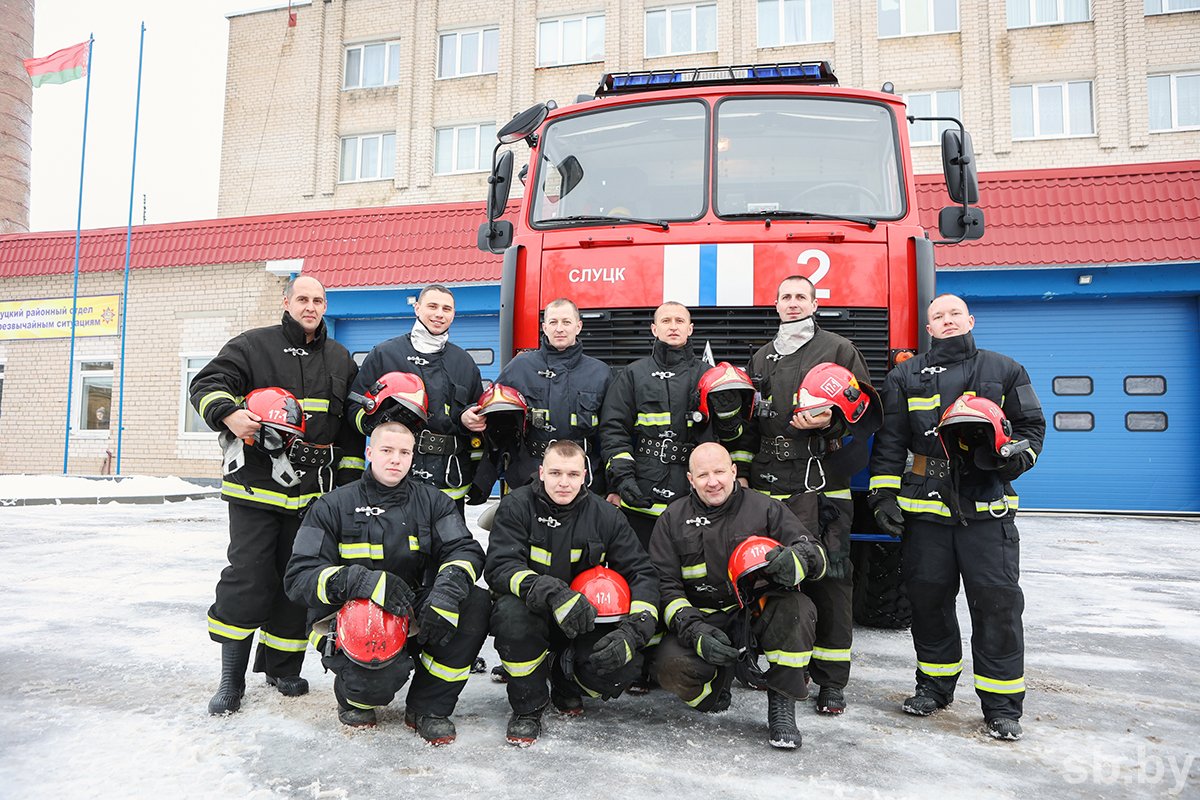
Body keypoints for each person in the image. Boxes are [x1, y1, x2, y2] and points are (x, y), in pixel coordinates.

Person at [868, 294, 1045, 741]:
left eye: (953, 314)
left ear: (969, 319)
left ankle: (1002, 707)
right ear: (928, 328)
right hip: (925, 513)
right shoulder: (905, 375)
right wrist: (883, 496)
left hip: (987, 511)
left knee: (997, 607)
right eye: (937, 317)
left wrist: (1009, 462)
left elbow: (1032, 430)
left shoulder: (1005, 370)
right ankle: (933, 688)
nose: (946, 321)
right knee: (928, 605)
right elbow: (890, 443)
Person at [190, 275, 364, 715]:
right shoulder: (253, 345)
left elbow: (348, 432)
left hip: (312, 498)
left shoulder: (341, 358)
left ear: (326, 306)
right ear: (286, 302)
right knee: (248, 579)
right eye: (303, 299)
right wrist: (229, 413)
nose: (311, 306)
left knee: (296, 583)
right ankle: (231, 680)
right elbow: (206, 383)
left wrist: (343, 489)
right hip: (256, 490)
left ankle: (282, 668)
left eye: (319, 300)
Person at [283, 421, 490, 744]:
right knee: (373, 691)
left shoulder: (434, 501)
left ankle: (428, 707)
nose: (396, 459)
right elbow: (299, 578)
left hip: (416, 608)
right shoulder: (332, 505)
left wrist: (446, 593)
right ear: (369, 453)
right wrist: (363, 581)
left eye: (404, 452)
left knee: (474, 602)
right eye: (387, 450)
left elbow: (464, 549)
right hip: (354, 620)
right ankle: (354, 696)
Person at [747, 275, 879, 715]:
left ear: (815, 302)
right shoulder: (762, 357)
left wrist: (830, 425)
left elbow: (862, 412)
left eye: (800, 296)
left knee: (832, 580)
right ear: (775, 303)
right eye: (785, 296)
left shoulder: (839, 350)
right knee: (775, 576)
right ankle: (784, 666)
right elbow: (751, 422)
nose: (792, 303)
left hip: (821, 483)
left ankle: (831, 681)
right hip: (770, 484)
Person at [649, 443, 828, 749]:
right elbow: (664, 587)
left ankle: (782, 706)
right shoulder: (672, 519)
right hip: (703, 620)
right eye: (703, 475)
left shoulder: (765, 508)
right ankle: (714, 691)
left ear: (733, 472)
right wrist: (695, 632)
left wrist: (797, 559)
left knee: (797, 608)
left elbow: (816, 554)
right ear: (690, 480)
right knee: (669, 666)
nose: (713, 481)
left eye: (719, 471)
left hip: (756, 612)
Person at [484, 440, 659, 745]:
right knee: (511, 618)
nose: (563, 482)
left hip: (584, 624)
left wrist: (634, 631)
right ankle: (528, 706)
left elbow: (641, 573)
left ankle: (568, 681)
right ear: (541, 473)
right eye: (555, 473)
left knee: (622, 667)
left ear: (585, 476)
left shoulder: (607, 516)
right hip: (532, 614)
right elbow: (500, 566)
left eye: (572, 474)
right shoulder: (516, 506)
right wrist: (551, 592)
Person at [599, 301, 748, 548]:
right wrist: (623, 479)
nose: (673, 327)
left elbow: (731, 437)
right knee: (642, 565)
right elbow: (613, 429)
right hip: (644, 488)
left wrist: (728, 414)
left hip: (696, 488)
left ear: (690, 329)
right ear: (654, 329)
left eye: (679, 321)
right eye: (666, 321)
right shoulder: (633, 374)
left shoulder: (710, 375)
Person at [348, 284, 485, 515]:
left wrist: (479, 473)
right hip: (396, 478)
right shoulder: (385, 354)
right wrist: (378, 420)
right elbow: (354, 408)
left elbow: (478, 424)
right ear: (417, 308)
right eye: (432, 306)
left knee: (448, 547)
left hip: (449, 482)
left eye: (446, 308)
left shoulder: (464, 362)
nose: (439, 314)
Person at [478, 298, 611, 495]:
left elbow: (612, 431)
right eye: (553, 322)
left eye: (566, 322)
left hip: (583, 477)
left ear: (578, 326)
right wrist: (469, 414)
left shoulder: (601, 373)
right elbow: (488, 409)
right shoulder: (520, 367)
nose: (560, 328)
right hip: (529, 476)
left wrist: (613, 485)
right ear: (544, 327)